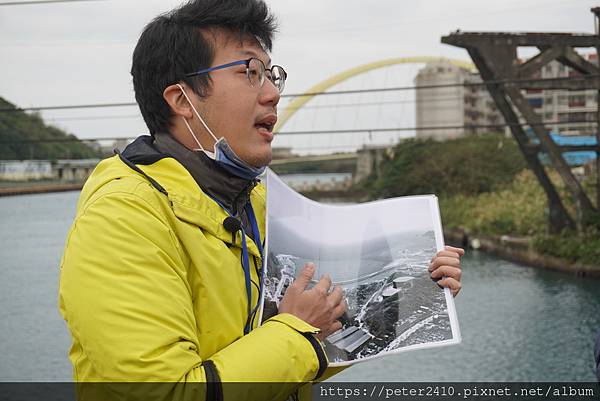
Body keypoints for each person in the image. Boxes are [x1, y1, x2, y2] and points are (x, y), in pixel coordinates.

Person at [58, 0, 464, 400]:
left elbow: (298, 353)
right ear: (182, 100)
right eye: (250, 72)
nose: (272, 94)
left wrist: (417, 296)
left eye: (272, 75)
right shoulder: (124, 216)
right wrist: (295, 330)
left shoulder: (254, 202)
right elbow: (166, 392)